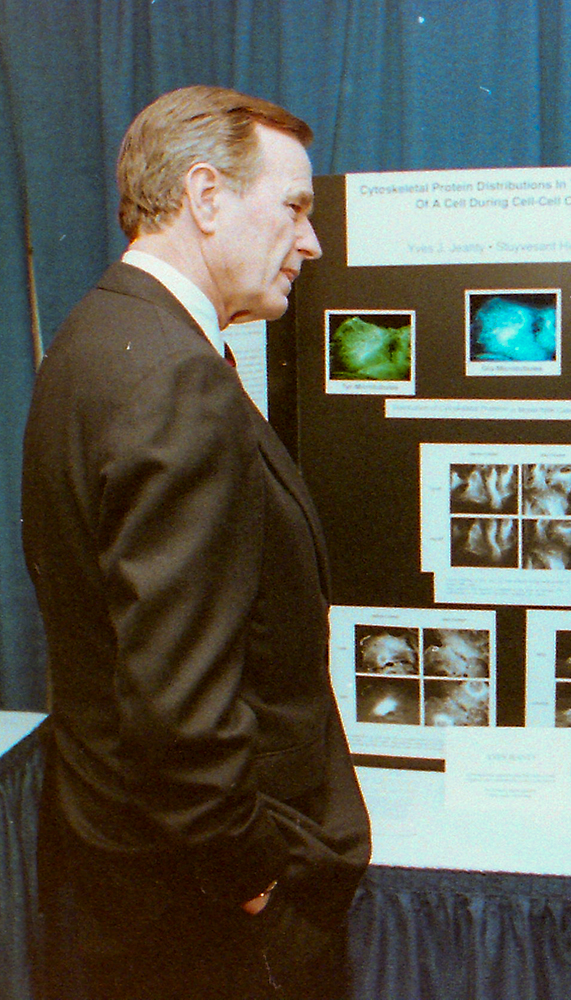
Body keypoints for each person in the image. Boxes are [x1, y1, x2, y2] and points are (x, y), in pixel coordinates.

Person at [21, 85, 370, 1000]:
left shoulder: (96, 335)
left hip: (120, 875)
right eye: (295, 207)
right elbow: (179, 710)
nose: (312, 243)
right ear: (205, 198)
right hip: (196, 917)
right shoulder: (175, 380)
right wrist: (259, 890)